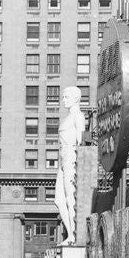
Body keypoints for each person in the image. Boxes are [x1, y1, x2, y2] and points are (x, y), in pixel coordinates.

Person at [54, 86, 86, 245]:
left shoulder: (78, 116)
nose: (63, 100)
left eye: (66, 97)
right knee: (58, 200)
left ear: (75, 98)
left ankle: (74, 236)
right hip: (62, 157)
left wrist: (78, 160)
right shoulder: (69, 117)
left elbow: (81, 140)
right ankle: (70, 234)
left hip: (71, 155)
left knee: (70, 198)